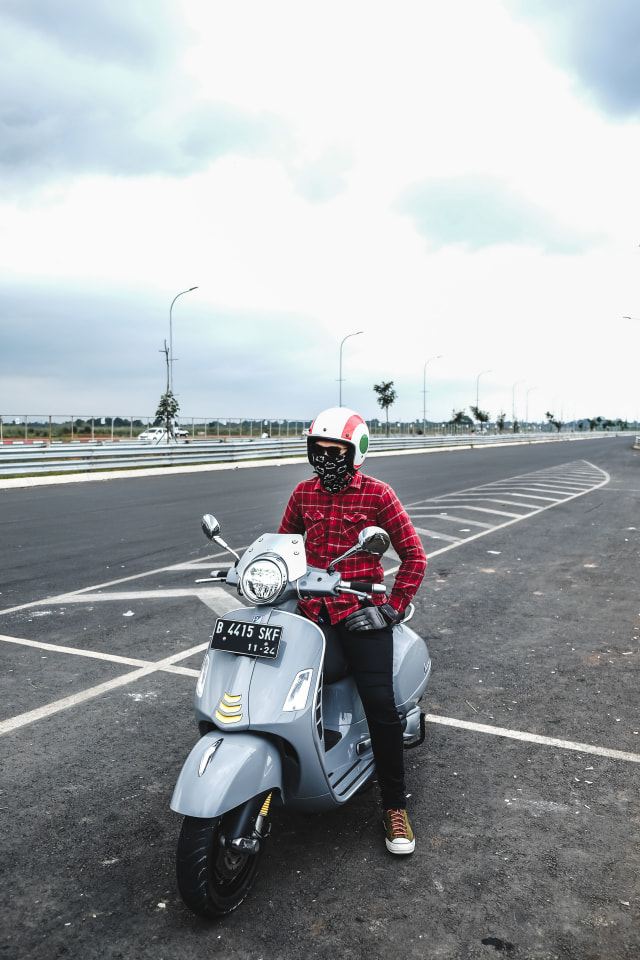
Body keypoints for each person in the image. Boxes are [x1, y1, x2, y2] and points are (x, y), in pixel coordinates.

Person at [279, 407, 427, 854]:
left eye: (336, 451)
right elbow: (285, 547)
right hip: (311, 616)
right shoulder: (303, 494)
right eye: (318, 450)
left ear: (356, 451)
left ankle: (394, 807)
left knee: (380, 706)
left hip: (361, 614)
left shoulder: (378, 495)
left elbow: (415, 558)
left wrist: (391, 611)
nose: (326, 458)